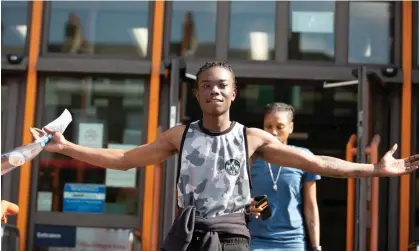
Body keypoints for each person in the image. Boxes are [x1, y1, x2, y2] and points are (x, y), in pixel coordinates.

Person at [30, 61, 419, 251]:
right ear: (197, 94)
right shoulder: (179, 136)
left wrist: (374, 169)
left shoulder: (252, 138)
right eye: (206, 86)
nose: (214, 91)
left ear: (233, 94)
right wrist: (67, 147)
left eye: (222, 86)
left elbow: (317, 163)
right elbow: (125, 159)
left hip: (232, 239)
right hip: (186, 236)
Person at [249, 103, 320, 251]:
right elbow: (234, 198)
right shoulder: (251, 158)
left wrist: (316, 246)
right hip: (256, 239)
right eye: (268, 126)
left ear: (291, 127)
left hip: (292, 240)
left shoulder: (303, 157)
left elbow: (311, 206)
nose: (273, 132)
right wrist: (248, 207)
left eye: (280, 127)